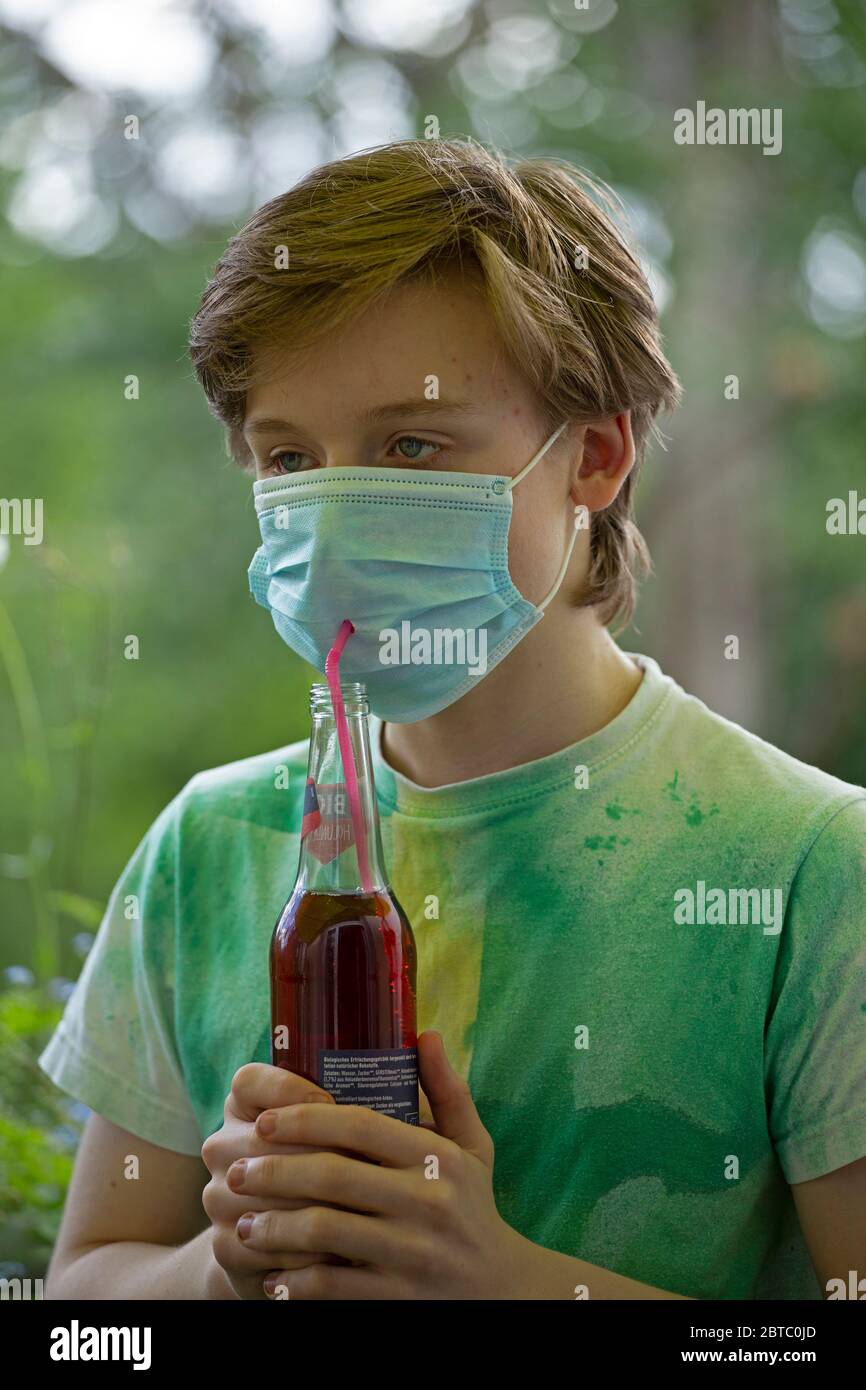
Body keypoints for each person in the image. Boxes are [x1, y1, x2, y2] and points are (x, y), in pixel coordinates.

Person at [40, 138, 866, 1300]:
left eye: (409, 443)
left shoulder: (812, 867)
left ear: (594, 453)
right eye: (288, 457)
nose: (331, 524)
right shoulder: (205, 847)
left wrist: (509, 1284)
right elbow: (83, 1308)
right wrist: (227, 1268)